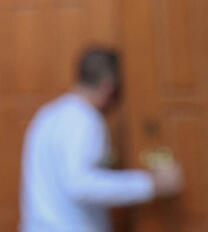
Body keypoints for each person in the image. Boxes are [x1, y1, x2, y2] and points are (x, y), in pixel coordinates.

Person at [20, 46, 183, 232]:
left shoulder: (48, 114)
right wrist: (151, 184)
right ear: (109, 87)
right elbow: (80, 184)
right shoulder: (85, 120)